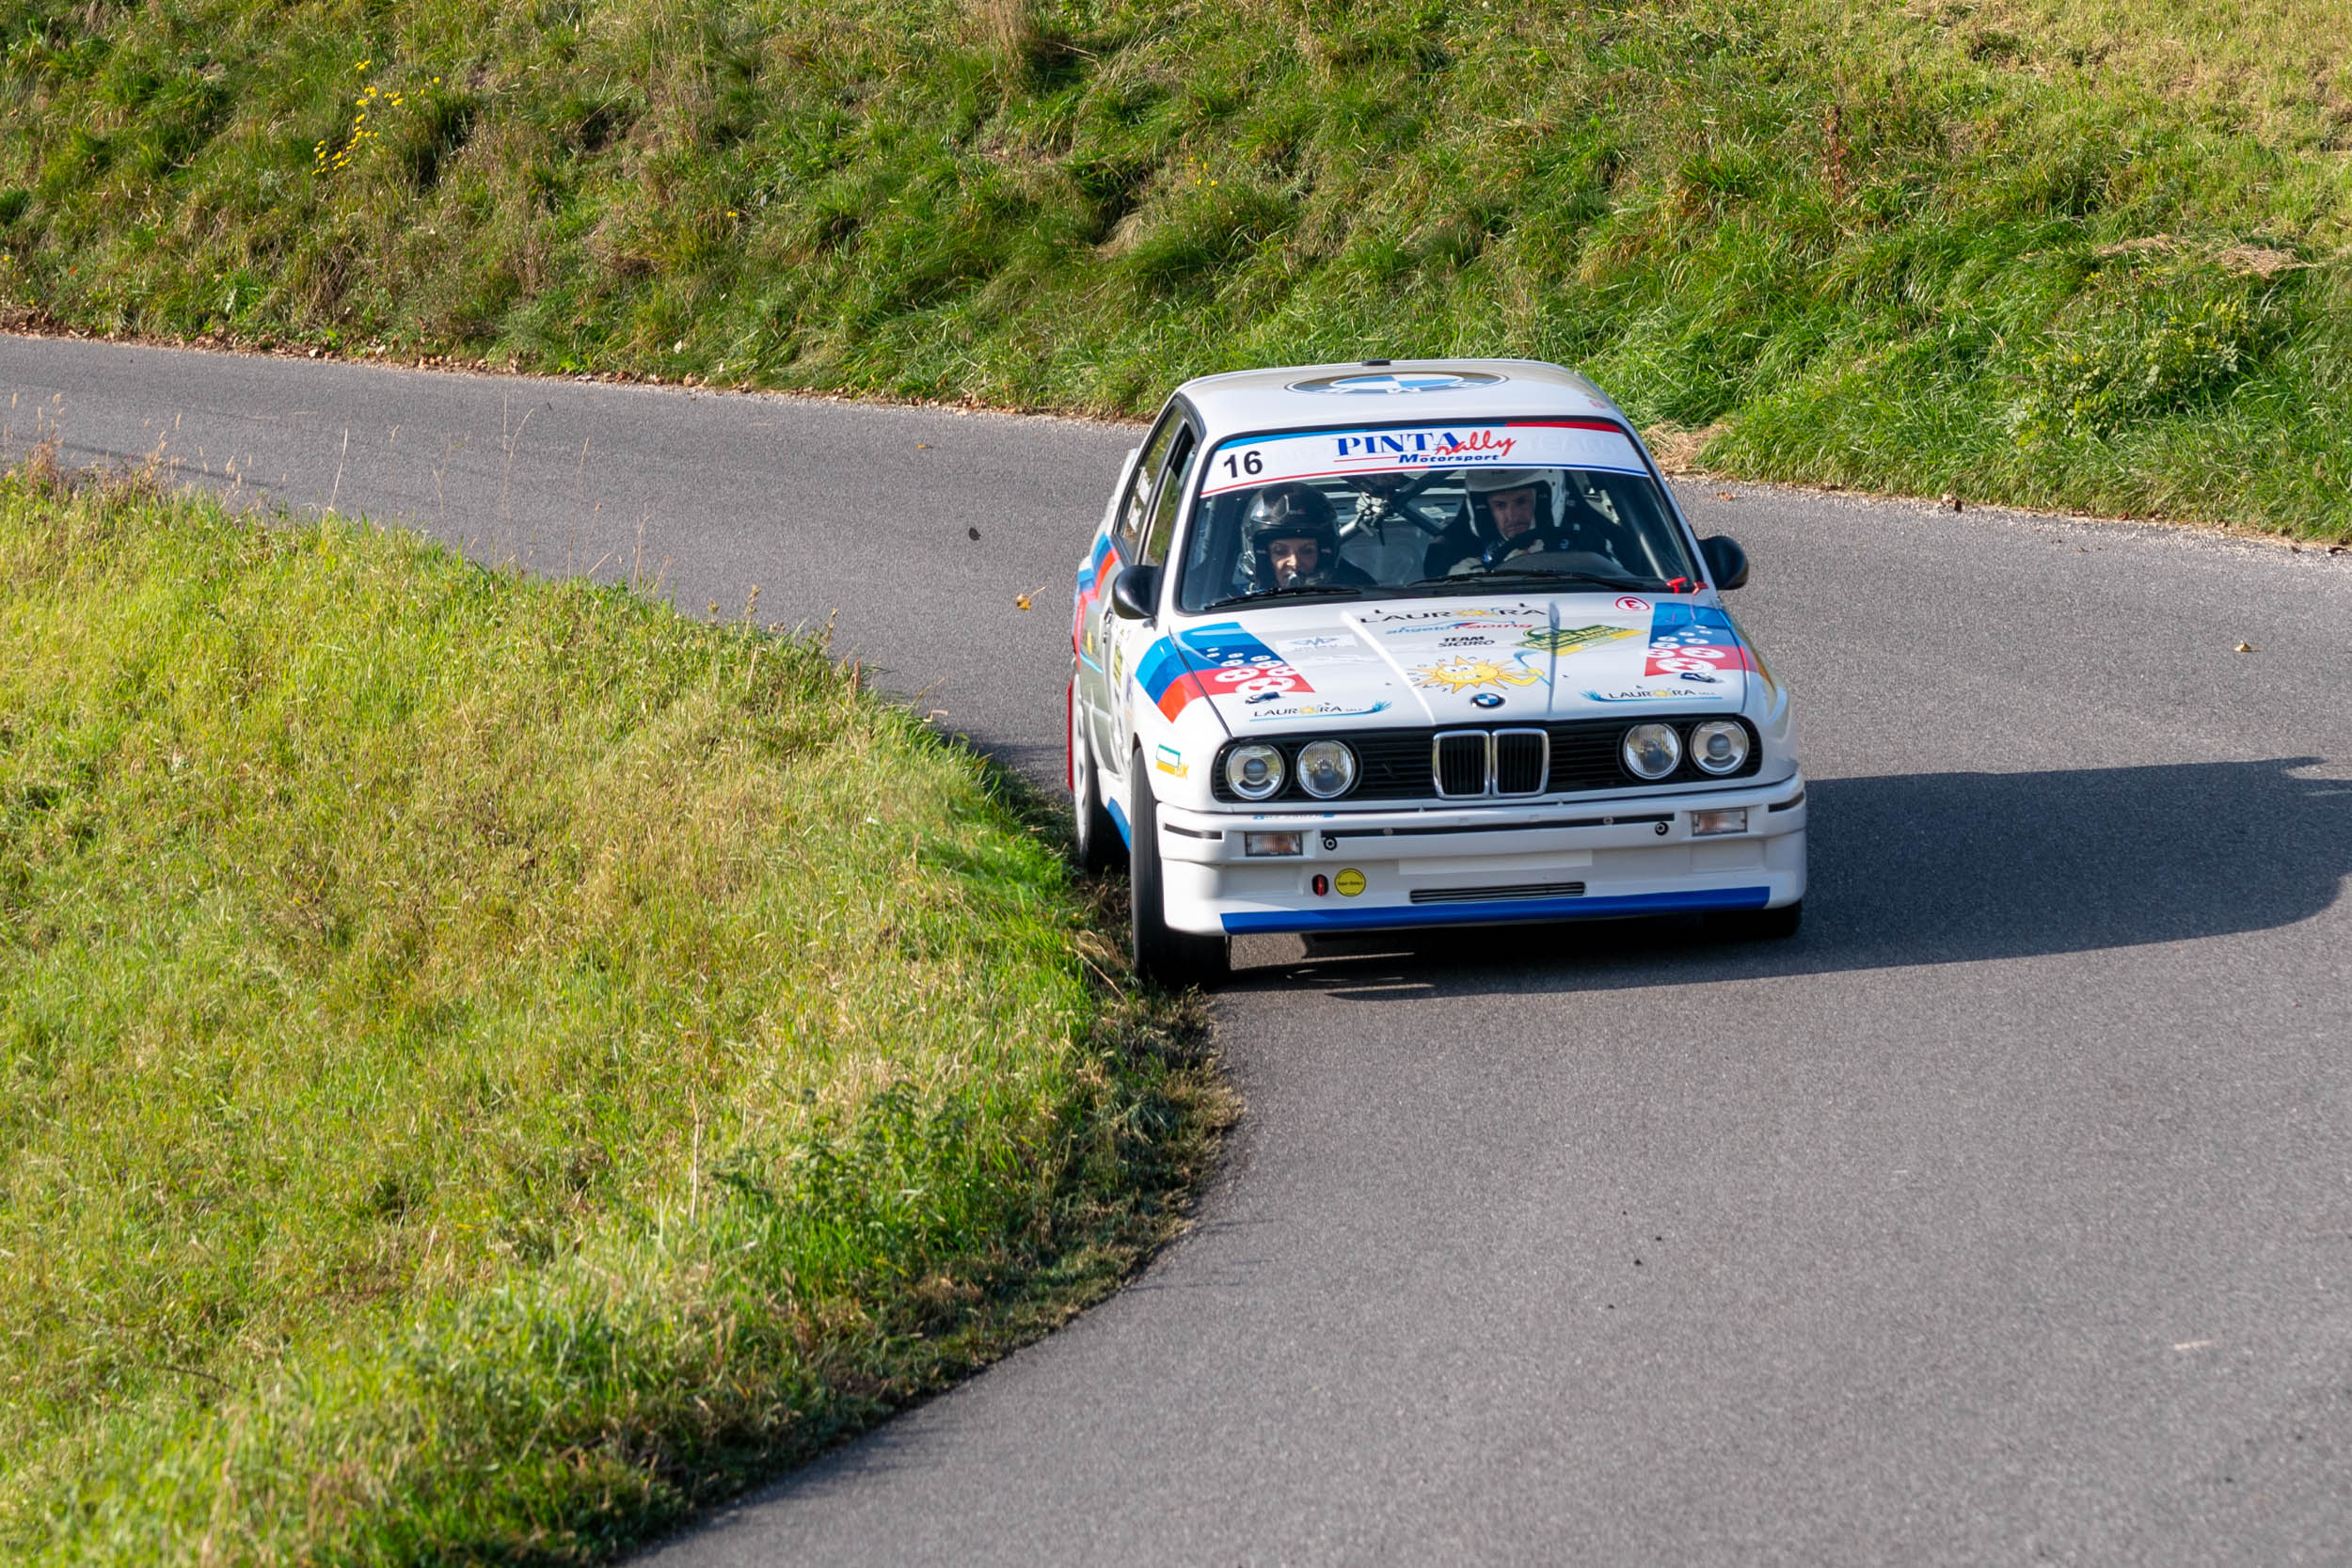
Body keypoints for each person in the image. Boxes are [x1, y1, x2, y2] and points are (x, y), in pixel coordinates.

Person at [1238, 483, 1376, 594]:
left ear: (1323, 554)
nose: (1295, 563)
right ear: (1262, 555)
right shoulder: (1231, 607)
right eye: (1280, 551)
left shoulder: (1360, 595)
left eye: (1307, 551)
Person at [1422, 468, 1556, 576]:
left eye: (1521, 501)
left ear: (1541, 502)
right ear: (1485, 512)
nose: (1513, 517)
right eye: (1500, 505)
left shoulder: (1570, 550)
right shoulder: (1467, 567)